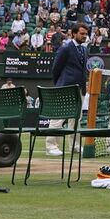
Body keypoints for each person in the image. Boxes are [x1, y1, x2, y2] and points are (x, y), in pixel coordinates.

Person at [46, 25, 87, 155]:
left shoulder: (85, 49)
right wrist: (60, 84)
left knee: (76, 118)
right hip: (65, 87)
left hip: (79, 88)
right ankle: (51, 146)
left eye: (86, 34)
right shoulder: (65, 48)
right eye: (82, 33)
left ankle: (74, 145)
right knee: (58, 117)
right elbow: (56, 68)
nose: (84, 36)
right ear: (74, 33)